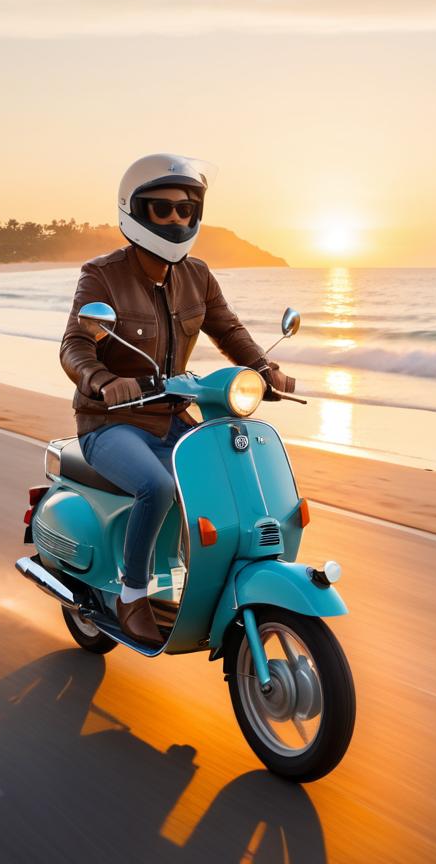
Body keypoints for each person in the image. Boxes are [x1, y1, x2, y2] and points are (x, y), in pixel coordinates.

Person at [59, 153, 295, 646]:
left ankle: (209, 580)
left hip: (171, 416)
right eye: (161, 209)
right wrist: (102, 379)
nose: (175, 219)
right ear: (136, 211)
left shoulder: (198, 276)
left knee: (226, 479)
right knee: (157, 486)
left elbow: (229, 331)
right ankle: (132, 594)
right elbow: (75, 345)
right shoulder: (102, 275)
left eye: (185, 210)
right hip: (110, 422)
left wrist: (263, 368)